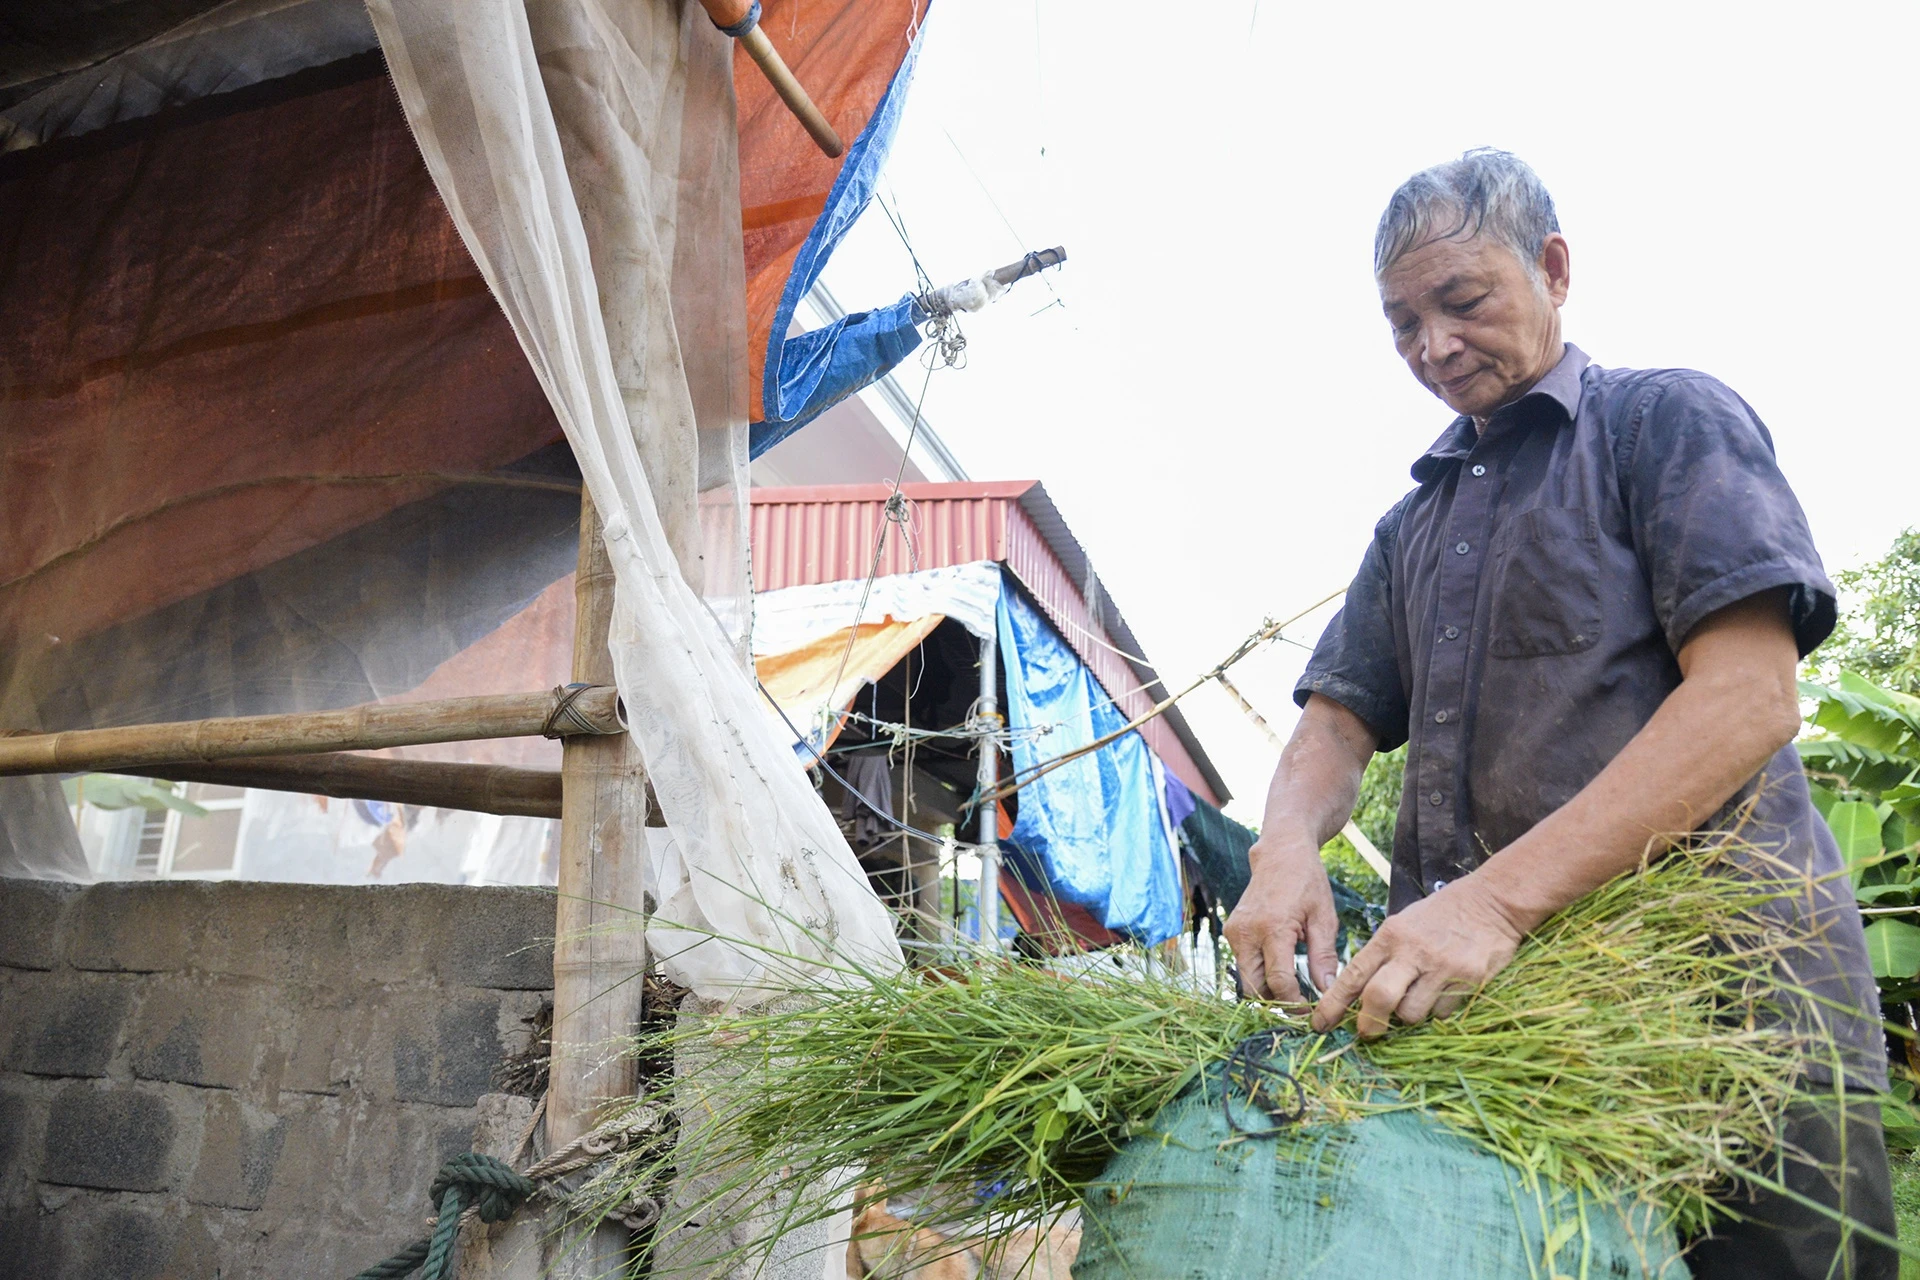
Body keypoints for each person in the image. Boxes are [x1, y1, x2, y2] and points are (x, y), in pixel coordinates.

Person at [1223, 148, 1895, 1278]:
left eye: (1462, 300)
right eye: (1401, 325)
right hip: (1508, 1039)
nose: (1433, 346)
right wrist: (1284, 847)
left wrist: (1491, 904)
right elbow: (1335, 724)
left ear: (1554, 267)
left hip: (1728, 1017)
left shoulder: (1661, 421)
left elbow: (1750, 695)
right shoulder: (1410, 527)